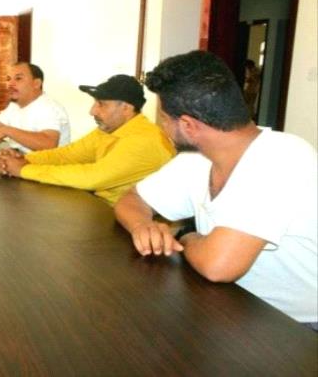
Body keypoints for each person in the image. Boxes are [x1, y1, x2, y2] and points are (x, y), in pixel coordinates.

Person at [114, 50, 317, 327]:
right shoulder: (196, 159)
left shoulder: (282, 157)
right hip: (234, 310)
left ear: (188, 125)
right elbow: (132, 199)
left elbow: (218, 266)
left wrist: (186, 236)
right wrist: (142, 226)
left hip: (298, 329)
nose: (162, 127)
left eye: (164, 118)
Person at [0, 74, 175, 205]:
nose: (92, 111)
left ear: (126, 108)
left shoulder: (144, 139)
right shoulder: (109, 130)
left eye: (101, 104)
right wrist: (24, 159)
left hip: (140, 228)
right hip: (104, 210)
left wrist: (23, 170)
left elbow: (93, 177)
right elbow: (68, 155)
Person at [0, 62, 70, 153]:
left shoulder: (48, 108)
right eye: (8, 79)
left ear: (36, 84)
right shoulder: (15, 105)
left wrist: (8, 131)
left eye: (18, 79)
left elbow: (49, 144)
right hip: (21, 161)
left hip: (47, 166)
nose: (10, 84)